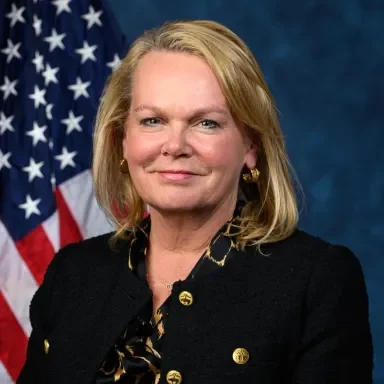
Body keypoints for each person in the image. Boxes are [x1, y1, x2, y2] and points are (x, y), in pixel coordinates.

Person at [17, 20, 373, 384]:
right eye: (153, 120)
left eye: (206, 123)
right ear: (123, 139)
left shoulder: (315, 282)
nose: (174, 146)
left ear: (250, 145)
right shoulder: (74, 274)